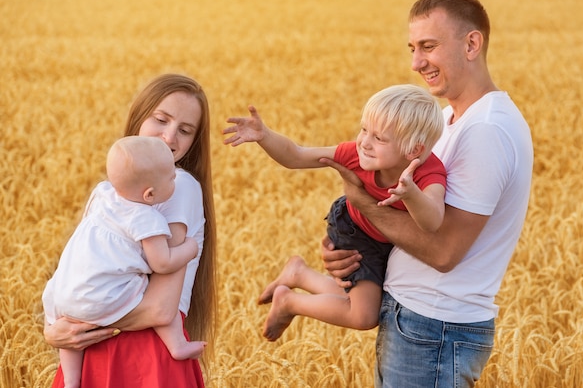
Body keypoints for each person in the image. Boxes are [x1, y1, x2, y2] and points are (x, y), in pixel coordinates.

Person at [320, 0, 534, 388]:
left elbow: (443, 251)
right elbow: (405, 215)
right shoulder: (446, 118)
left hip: (436, 329)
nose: (417, 62)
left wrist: (361, 203)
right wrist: (351, 250)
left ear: (472, 43)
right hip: (417, 323)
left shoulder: (487, 130)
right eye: (412, 48)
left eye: (429, 47)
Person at [223, 84, 446, 341]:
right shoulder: (355, 153)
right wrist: (264, 136)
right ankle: (289, 302)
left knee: (357, 297)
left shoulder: (430, 174)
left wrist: (413, 194)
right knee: (363, 315)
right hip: (356, 228)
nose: (365, 143)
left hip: (389, 237)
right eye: (364, 130)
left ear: (414, 150)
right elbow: (296, 156)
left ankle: (300, 274)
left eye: (379, 138)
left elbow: (433, 221)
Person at [43, 74, 218, 388]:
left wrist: (71, 323)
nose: (169, 137)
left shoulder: (178, 187)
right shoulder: (113, 193)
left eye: (185, 130)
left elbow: (160, 308)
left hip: (141, 355)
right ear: (139, 116)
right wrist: (53, 328)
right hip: (96, 348)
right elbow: (78, 270)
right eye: (161, 120)